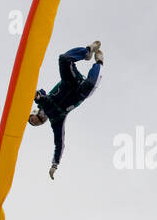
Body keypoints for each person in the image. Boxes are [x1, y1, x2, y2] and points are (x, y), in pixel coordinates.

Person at [29, 42, 103, 179]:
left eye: (37, 119)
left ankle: (86, 52)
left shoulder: (43, 101)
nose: (41, 120)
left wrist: (35, 96)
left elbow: (40, 96)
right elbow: (59, 143)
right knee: (91, 85)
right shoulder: (56, 121)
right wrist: (55, 164)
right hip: (79, 92)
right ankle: (99, 62)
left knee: (63, 59)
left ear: (36, 113)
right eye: (40, 122)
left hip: (70, 82)